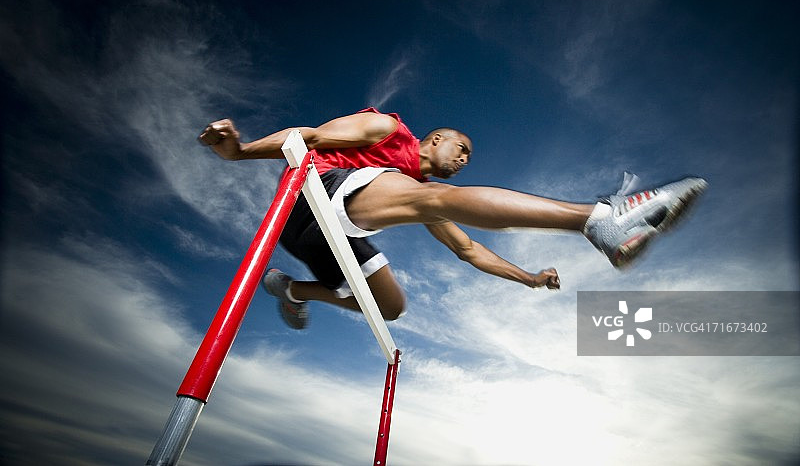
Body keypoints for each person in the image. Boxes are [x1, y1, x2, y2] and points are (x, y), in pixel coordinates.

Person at [199, 107, 706, 329]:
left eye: (469, 157)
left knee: (390, 308)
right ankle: (598, 220)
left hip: (331, 238)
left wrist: (528, 278)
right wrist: (240, 152)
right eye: (460, 148)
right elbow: (306, 137)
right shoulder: (386, 131)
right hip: (310, 201)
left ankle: (292, 290)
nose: (464, 158)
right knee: (437, 197)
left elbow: (467, 249)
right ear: (434, 140)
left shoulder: (416, 194)